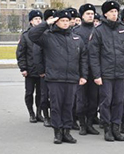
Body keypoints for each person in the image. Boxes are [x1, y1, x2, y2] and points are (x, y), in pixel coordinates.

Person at [29, 9, 88, 144]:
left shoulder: (76, 38)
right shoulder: (48, 36)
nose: (66, 23)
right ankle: (57, 132)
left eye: (67, 21)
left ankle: (66, 131)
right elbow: (32, 35)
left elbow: (83, 58)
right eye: (62, 21)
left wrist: (83, 75)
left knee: (68, 106)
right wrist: (46, 23)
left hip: (72, 78)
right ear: (57, 22)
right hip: (55, 78)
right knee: (56, 106)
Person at [88, 0, 124, 142]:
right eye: (111, 12)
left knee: (119, 101)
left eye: (116, 12)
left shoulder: (123, 29)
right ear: (105, 14)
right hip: (105, 74)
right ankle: (107, 128)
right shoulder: (99, 31)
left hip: (121, 73)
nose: (114, 14)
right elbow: (93, 54)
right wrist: (97, 75)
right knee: (106, 101)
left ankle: (116, 128)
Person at [73, 3, 99, 136]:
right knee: (81, 99)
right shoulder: (76, 31)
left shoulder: (98, 30)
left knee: (94, 99)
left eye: (92, 13)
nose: (90, 16)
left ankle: (90, 123)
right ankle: (82, 124)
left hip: (95, 70)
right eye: (88, 14)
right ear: (82, 16)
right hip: (81, 71)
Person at [16, 10, 46, 123]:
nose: (38, 21)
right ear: (31, 21)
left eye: (39, 19)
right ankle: (31, 113)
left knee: (41, 94)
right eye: (36, 19)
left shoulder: (45, 34)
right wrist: (23, 68)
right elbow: (20, 53)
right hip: (29, 70)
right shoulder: (26, 36)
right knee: (29, 93)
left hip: (41, 70)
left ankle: (39, 113)